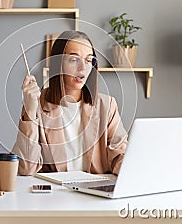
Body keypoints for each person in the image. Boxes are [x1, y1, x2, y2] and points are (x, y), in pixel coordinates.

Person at [12, 30, 128, 176]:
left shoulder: (107, 105)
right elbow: (25, 169)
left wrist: (133, 172)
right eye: (74, 59)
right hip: (55, 195)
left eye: (88, 60)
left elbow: (120, 156)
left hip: (96, 193)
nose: (82, 68)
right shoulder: (37, 104)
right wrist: (29, 111)